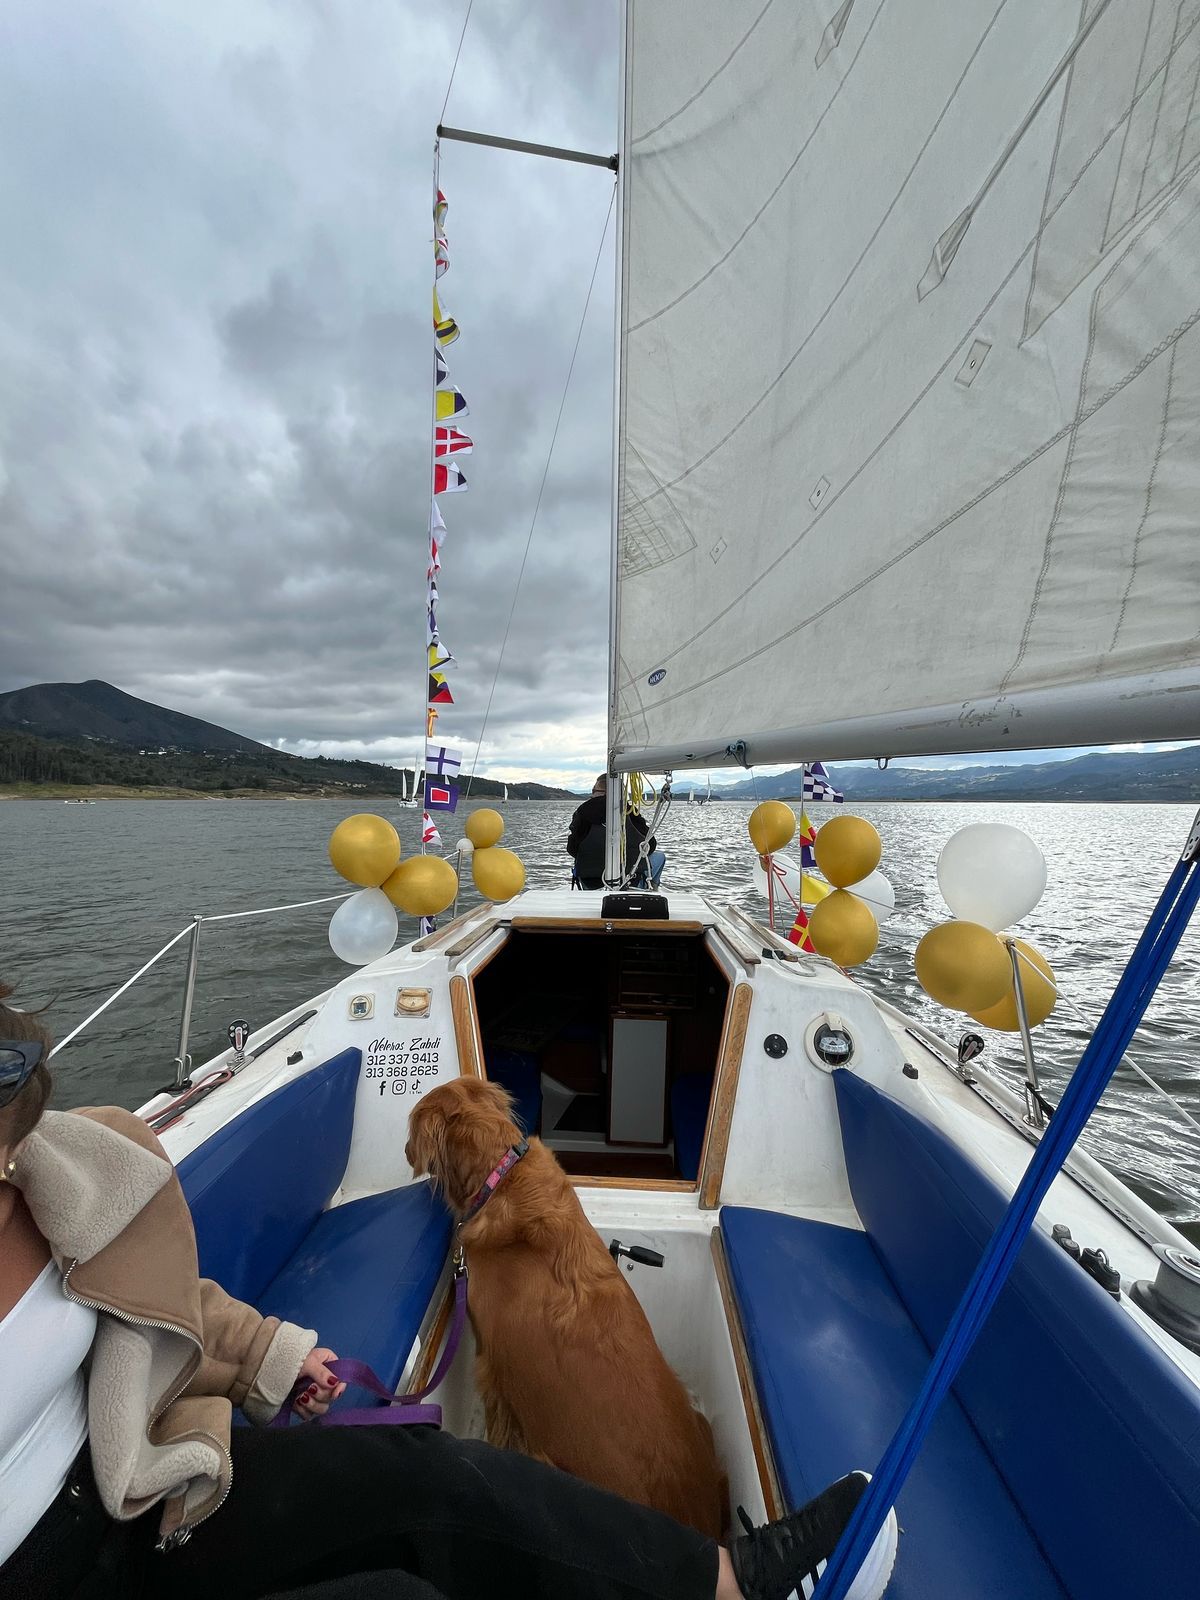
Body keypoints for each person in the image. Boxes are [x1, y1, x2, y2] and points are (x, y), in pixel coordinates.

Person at [0, 980, 897, 1600]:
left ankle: (731, 1582)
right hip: (69, 1552)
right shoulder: (535, 1182)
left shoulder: (71, 1177)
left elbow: (155, 1300)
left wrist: (268, 1354)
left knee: (435, 1485)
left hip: (138, 1486)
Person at [568, 775, 665, 891]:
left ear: (604, 792)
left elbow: (572, 849)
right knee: (659, 856)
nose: (591, 794)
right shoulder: (629, 810)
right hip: (630, 880)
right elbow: (650, 845)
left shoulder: (583, 811)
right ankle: (652, 889)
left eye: (594, 790)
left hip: (590, 881)